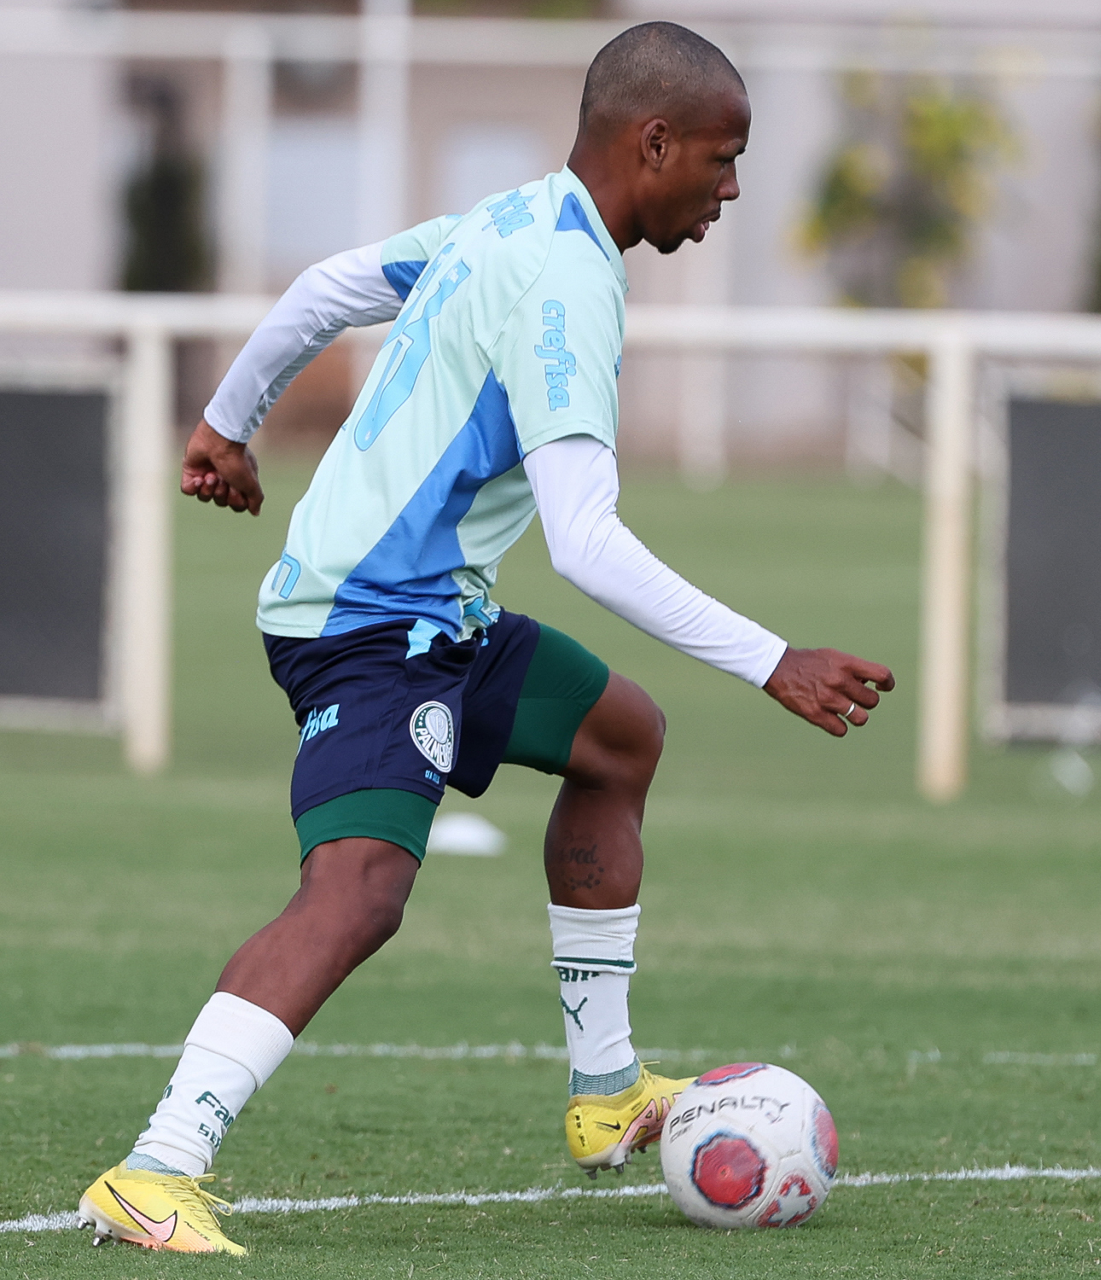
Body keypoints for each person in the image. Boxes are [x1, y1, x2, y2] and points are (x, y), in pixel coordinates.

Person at [77, 21, 894, 1255]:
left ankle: (607, 1089)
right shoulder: (567, 280)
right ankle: (155, 1166)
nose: (731, 187)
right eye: (721, 158)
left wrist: (225, 424)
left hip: (435, 612)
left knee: (619, 737)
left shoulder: (512, 220)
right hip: (368, 621)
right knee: (360, 888)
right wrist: (772, 658)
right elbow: (587, 541)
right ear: (653, 142)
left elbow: (326, 288)